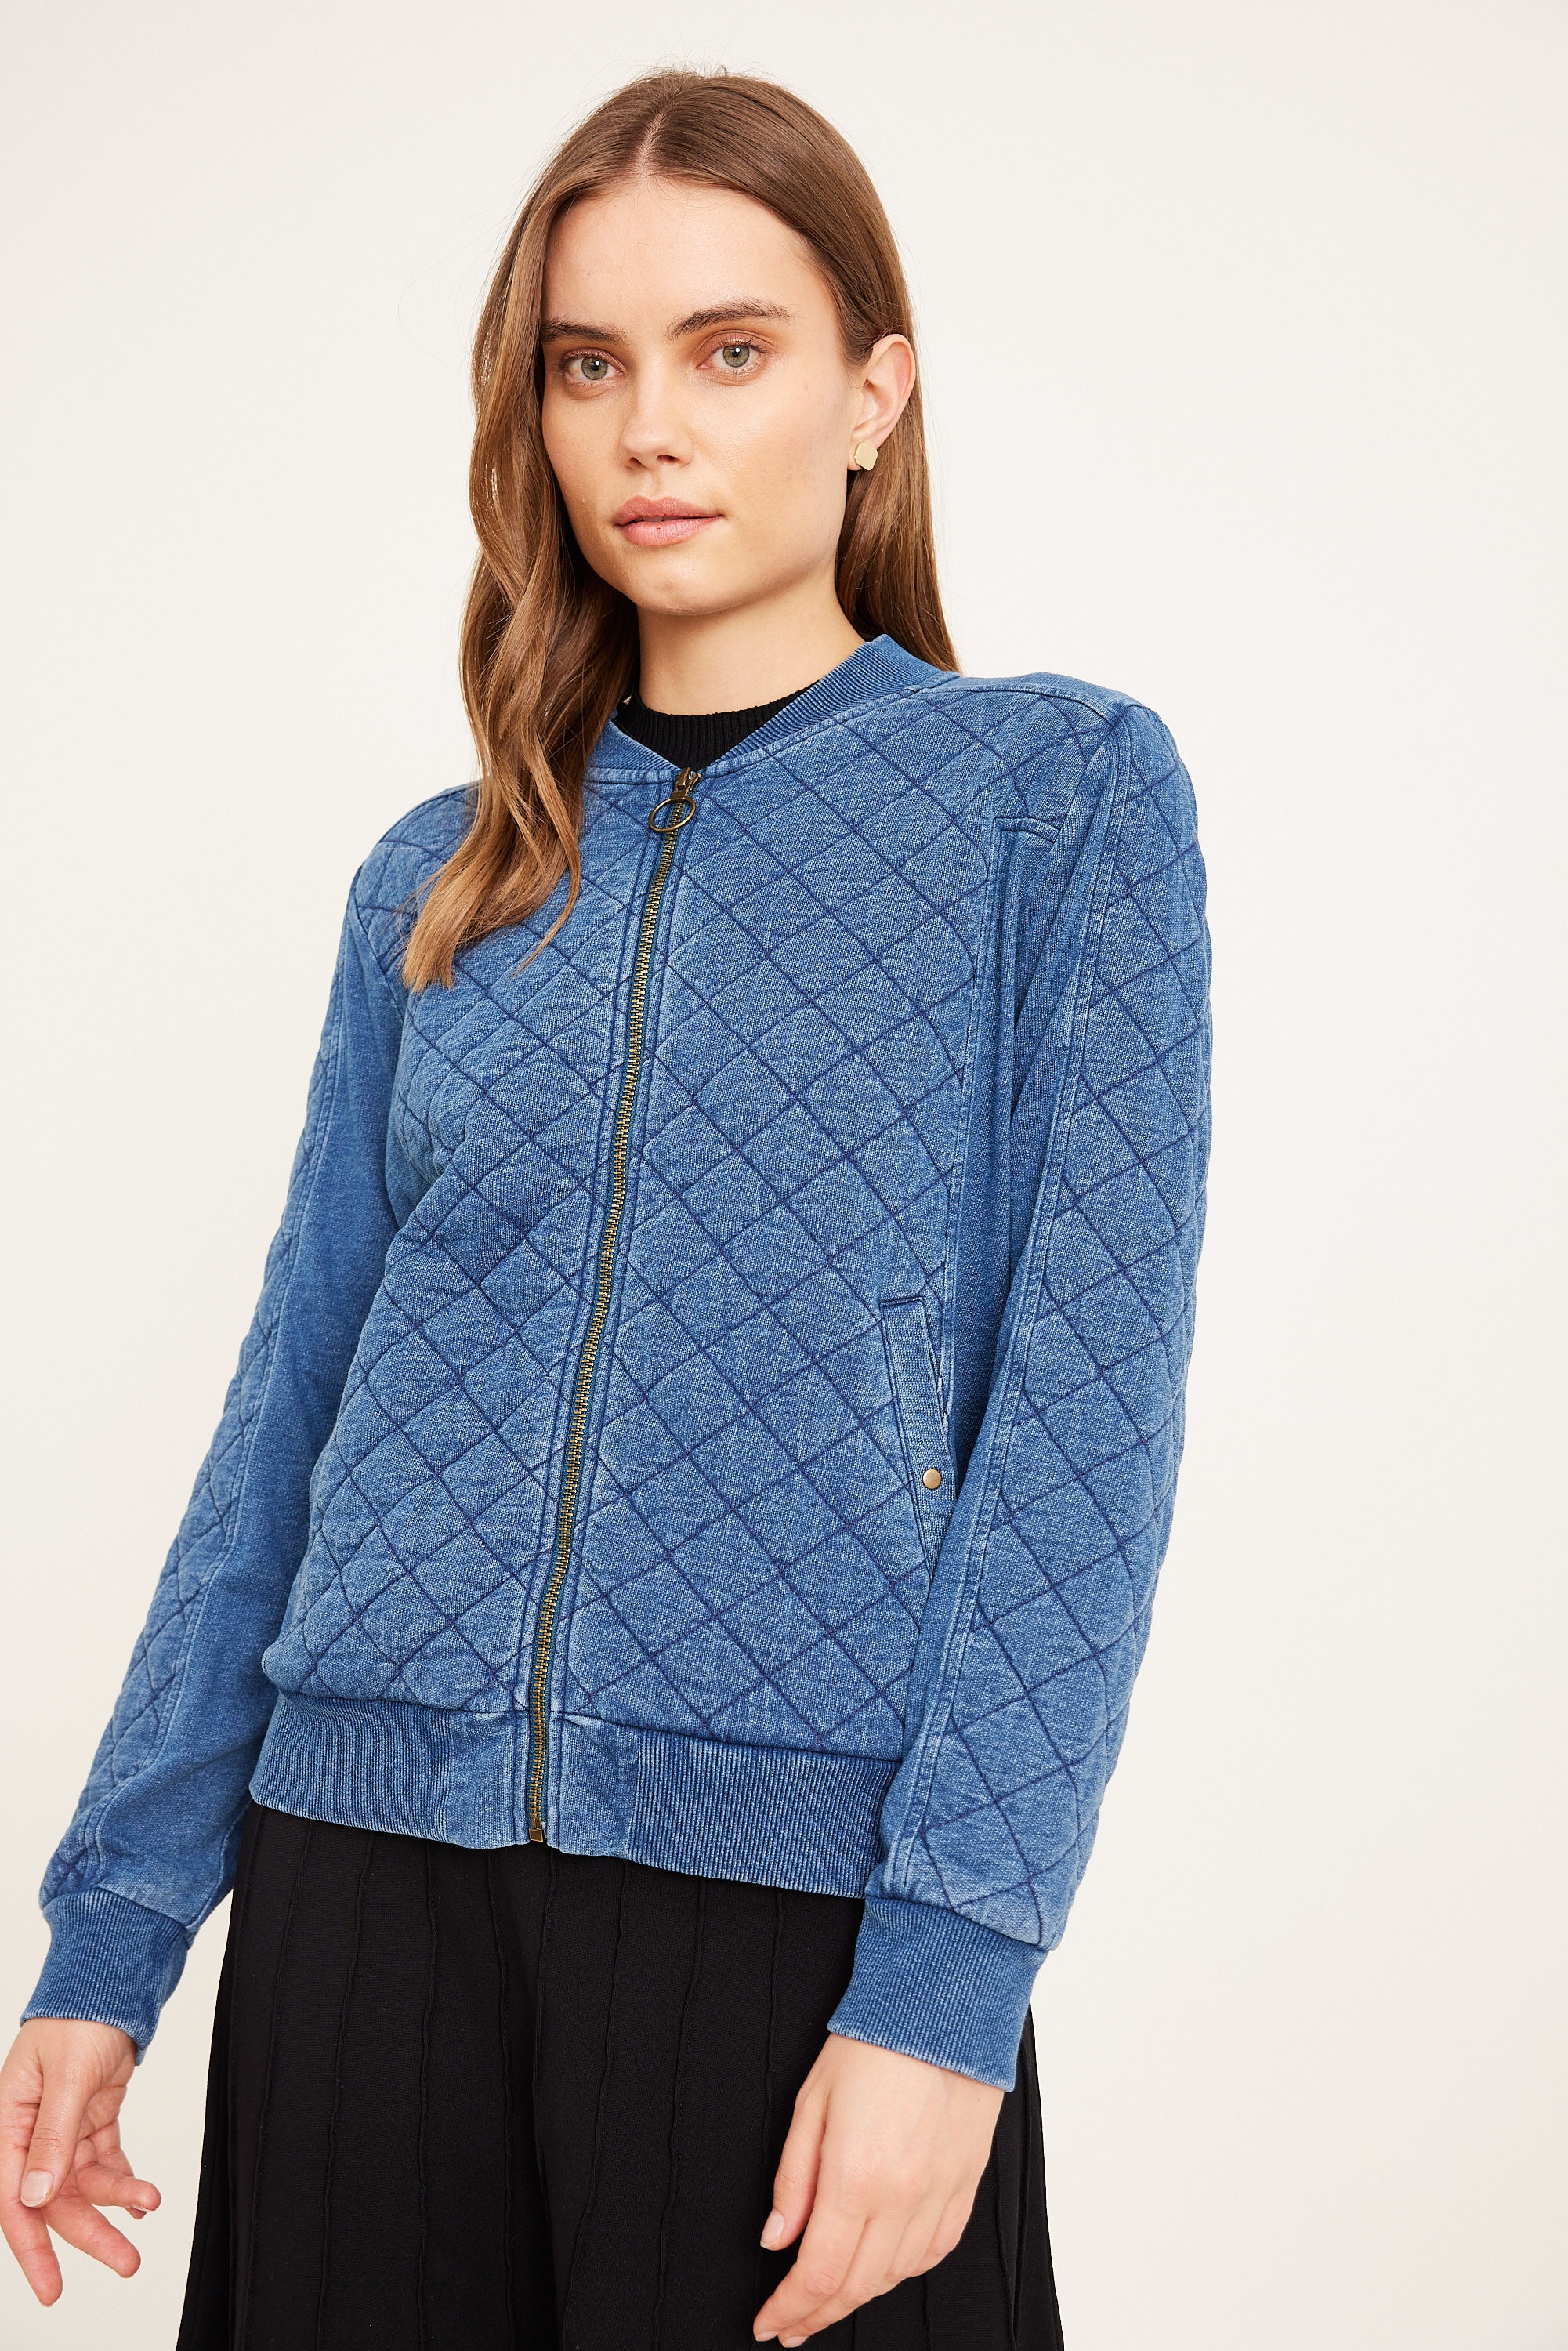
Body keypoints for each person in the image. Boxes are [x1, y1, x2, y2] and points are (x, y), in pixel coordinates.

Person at [0, 68, 1211, 2351]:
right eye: (588, 363)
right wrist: (116, 1925)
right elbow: (290, 1420)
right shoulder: (443, 876)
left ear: (874, 395)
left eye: (730, 350)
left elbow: (1082, 1439)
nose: (651, 426)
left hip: (792, 1928)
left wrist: (950, 1987)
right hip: (363, 1908)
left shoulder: (1052, 806)